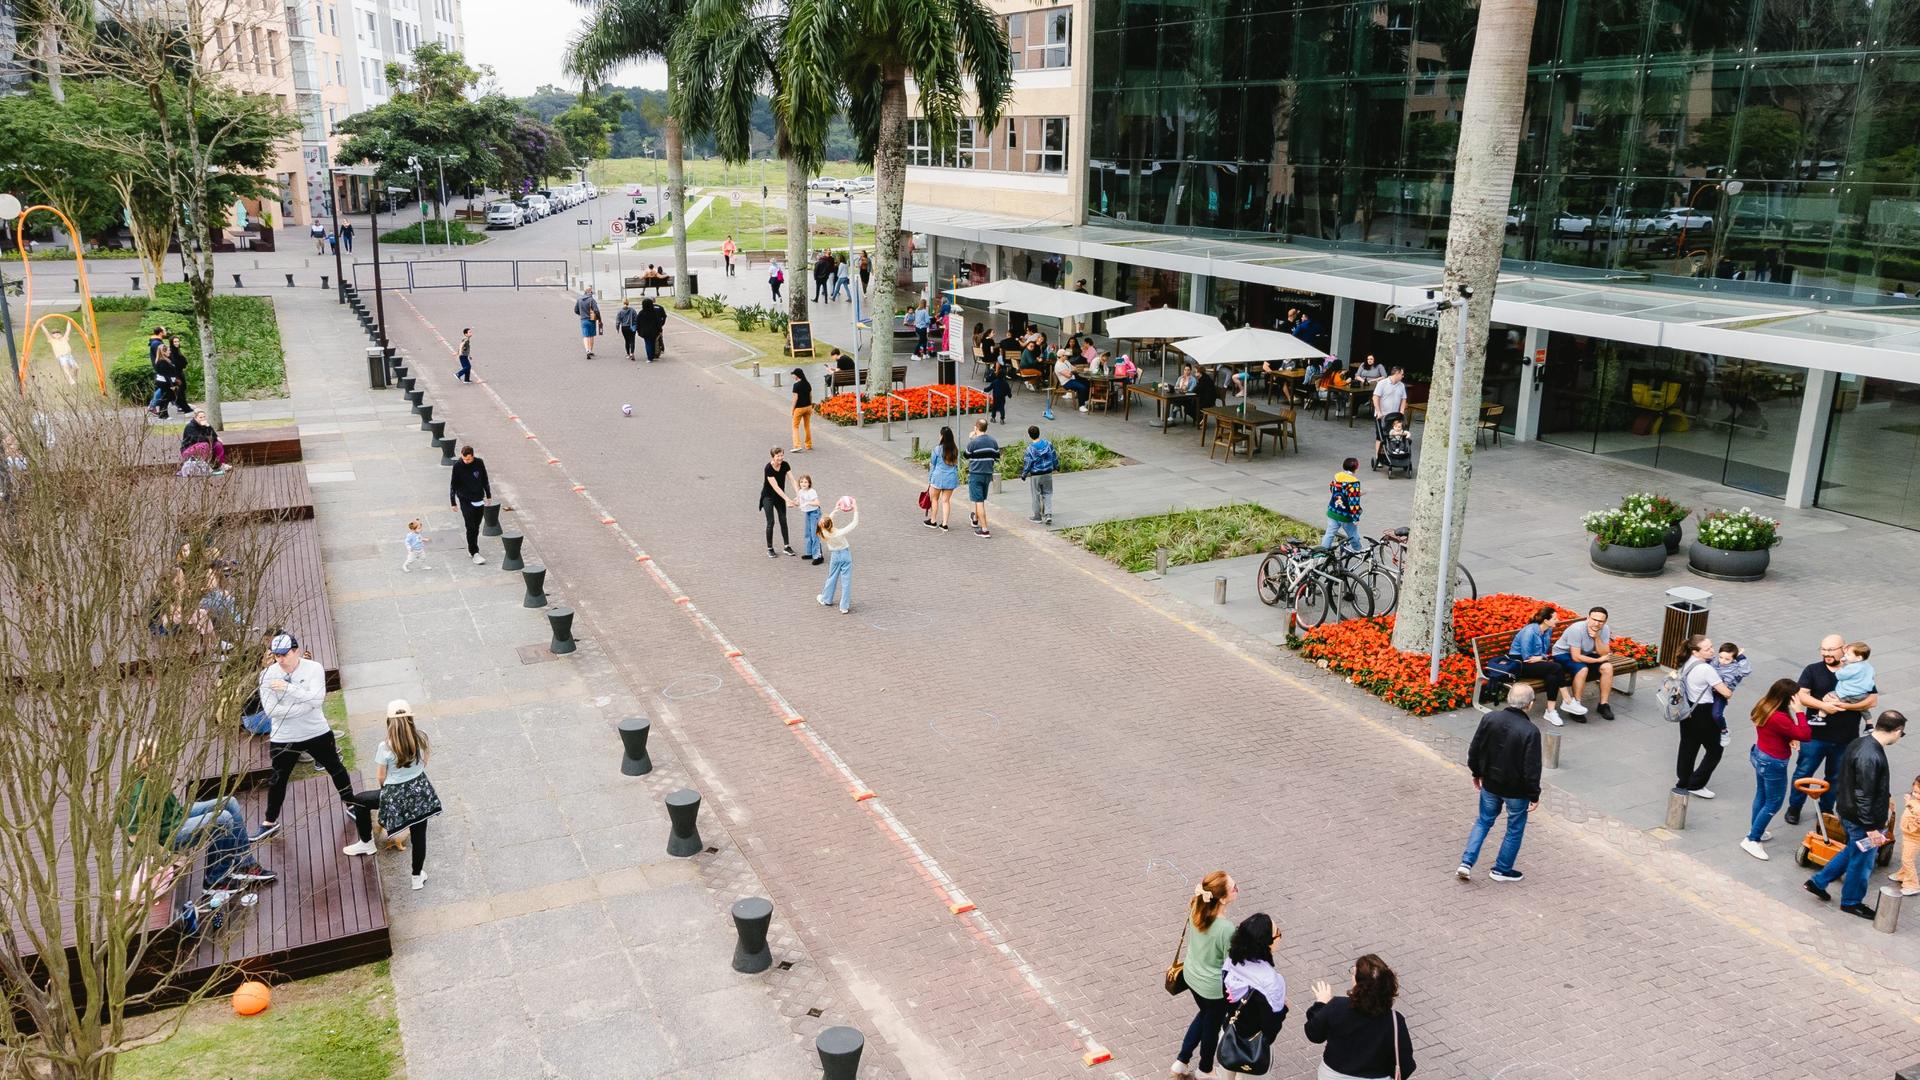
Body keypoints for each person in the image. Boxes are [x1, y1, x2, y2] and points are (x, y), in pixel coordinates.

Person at [250, 633, 358, 844]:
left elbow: (318, 699)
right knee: (278, 780)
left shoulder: (314, 668)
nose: (280, 659)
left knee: (336, 768)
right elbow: (271, 710)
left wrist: (289, 689)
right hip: (284, 736)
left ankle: (353, 805)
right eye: (276, 655)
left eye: (284, 654)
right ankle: (269, 822)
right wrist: (304, 702)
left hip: (316, 731)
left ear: (296, 651)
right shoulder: (266, 676)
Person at [1806, 711, 1906, 919]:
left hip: (1848, 810)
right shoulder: (1872, 755)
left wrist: (1885, 795)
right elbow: (1864, 794)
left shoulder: (1859, 743)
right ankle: (1851, 902)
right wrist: (1871, 829)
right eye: (1901, 734)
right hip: (1862, 819)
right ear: (1897, 731)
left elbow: (1857, 783)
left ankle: (1818, 882)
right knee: (1862, 862)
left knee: (1853, 849)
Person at [122, 764, 275, 890]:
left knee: (230, 802)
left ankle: (245, 864)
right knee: (222, 819)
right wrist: (168, 856)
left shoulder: (152, 774)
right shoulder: (136, 793)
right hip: (168, 835)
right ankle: (216, 880)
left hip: (176, 816)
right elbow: (134, 837)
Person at [341, 701, 437, 891]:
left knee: (360, 800)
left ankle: (367, 843)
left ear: (389, 722)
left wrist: (387, 792)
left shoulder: (385, 746)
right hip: (421, 795)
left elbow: (381, 776)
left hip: (395, 794)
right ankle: (417, 877)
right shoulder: (421, 737)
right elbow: (425, 761)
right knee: (419, 836)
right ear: (411, 719)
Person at [1787, 635, 1878, 825]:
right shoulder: (1813, 670)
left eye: (1831, 650)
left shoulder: (1858, 669)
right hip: (1815, 736)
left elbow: (1872, 700)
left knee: (1836, 777)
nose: (1826, 654)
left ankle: (1826, 810)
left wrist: (1847, 707)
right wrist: (1824, 706)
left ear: (1843, 649)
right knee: (1803, 772)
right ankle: (1794, 807)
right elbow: (1802, 697)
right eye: (1823, 649)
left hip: (1846, 737)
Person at [1457, 683, 1541, 883]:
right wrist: (1534, 794)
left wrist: (1476, 772)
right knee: (1514, 828)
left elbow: (1475, 749)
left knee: (1483, 821)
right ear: (1529, 704)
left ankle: (1466, 862)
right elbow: (1532, 768)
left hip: (1490, 784)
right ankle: (1502, 870)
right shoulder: (1530, 731)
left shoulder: (1489, 718)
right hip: (1516, 791)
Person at [1306, 955, 1417, 1079]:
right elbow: (1406, 1064)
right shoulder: (1395, 1021)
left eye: (1353, 972)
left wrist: (1321, 1004)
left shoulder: (1337, 1006)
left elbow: (1314, 1034)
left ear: (1359, 983)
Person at [1171, 871, 1235, 1080]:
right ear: (1223, 898)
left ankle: (1181, 1061)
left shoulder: (1196, 909)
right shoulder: (1226, 929)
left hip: (1191, 977)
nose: (1237, 889)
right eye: (1234, 887)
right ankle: (1205, 1069)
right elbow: (1231, 962)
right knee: (1211, 1025)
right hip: (1212, 988)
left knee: (1205, 1015)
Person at [1743, 677, 1813, 860]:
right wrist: (1799, 713)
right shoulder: (1780, 717)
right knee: (1774, 801)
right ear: (1788, 698)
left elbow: (1775, 730)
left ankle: (1756, 828)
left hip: (1760, 754)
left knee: (1762, 794)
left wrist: (1789, 737)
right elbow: (1805, 734)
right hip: (1773, 762)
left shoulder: (1765, 705)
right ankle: (1752, 839)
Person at [1222, 913, 1289, 1063]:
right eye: (1278, 933)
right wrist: (1284, 1008)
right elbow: (1271, 1027)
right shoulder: (1271, 982)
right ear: (1267, 943)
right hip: (1253, 1050)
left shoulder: (1231, 962)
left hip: (1228, 1036)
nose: (1280, 936)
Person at [1674, 633, 1733, 799]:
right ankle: (1697, 784)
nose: (1712, 651)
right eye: (1707, 649)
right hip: (1703, 712)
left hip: (1687, 709)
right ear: (1695, 651)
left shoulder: (1687, 663)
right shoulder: (1706, 669)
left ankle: (1683, 780)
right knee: (1715, 749)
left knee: (1688, 745)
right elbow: (1726, 693)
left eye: (1711, 647)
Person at [1504, 605, 1582, 726]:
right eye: (1555, 618)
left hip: (1536, 661)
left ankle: (1550, 711)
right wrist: (1541, 658)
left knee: (1552, 676)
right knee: (1556, 667)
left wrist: (1541, 657)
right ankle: (1567, 700)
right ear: (1546, 620)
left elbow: (1544, 653)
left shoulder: (1547, 630)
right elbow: (1527, 657)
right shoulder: (1530, 631)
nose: (1558, 620)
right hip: (1520, 664)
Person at [1550, 606, 1616, 720]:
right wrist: (1597, 660)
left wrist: (1597, 639)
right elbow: (1576, 657)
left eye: (1600, 621)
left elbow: (1604, 653)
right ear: (1588, 618)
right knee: (1582, 669)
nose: (1596, 623)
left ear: (1605, 621)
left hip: (1584, 653)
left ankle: (1603, 704)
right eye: (1594, 619)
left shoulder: (1605, 629)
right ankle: (1575, 705)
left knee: (1607, 667)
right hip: (1563, 654)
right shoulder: (1577, 629)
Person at [449, 445, 491, 565]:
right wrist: (453, 502)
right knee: (470, 526)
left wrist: (488, 495)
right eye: (464, 459)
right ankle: (474, 552)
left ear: (472, 456)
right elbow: (453, 484)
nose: (465, 461)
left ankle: (471, 546)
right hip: (465, 499)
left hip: (478, 498)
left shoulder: (479, 463)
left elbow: (484, 479)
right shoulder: (457, 466)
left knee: (476, 527)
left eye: (468, 459)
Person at [815, 497, 858, 613]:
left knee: (832, 577)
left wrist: (835, 510)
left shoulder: (823, 532)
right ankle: (844, 607)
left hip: (835, 556)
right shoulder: (839, 532)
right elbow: (854, 523)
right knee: (846, 581)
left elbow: (828, 520)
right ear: (831, 524)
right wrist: (856, 509)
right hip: (845, 554)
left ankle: (826, 599)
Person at [1709, 642, 1752, 744]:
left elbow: (1746, 671)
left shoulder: (1736, 668)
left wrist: (1741, 657)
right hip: (1709, 690)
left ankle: (1724, 731)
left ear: (1733, 658)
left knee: (1716, 714)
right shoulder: (1715, 662)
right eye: (1721, 657)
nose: (1723, 661)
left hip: (1722, 694)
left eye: (1727, 659)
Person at [1320, 458, 1364, 554]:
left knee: (1329, 534)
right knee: (1353, 535)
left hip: (1333, 511)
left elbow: (1332, 489)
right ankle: (1359, 552)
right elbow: (1353, 501)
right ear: (1356, 468)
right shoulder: (1353, 482)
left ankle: (1322, 553)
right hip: (1345, 515)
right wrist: (1356, 518)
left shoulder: (1337, 476)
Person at [760, 447, 797, 558]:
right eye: (778, 456)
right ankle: (770, 548)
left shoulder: (785, 465)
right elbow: (775, 487)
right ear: (773, 457)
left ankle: (787, 546)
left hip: (780, 497)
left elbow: (792, 480)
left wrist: (799, 495)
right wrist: (788, 500)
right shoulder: (768, 468)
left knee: (783, 520)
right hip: (768, 497)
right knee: (771, 522)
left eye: (782, 455)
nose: (780, 458)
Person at [964, 418, 998, 538]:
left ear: (976, 428)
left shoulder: (974, 442)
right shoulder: (993, 441)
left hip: (975, 474)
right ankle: (975, 519)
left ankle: (984, 530)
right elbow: (996, 456)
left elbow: (966, 455)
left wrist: (972, 438)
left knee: (979, 502)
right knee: (980, 498)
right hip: (987, 474)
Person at [1888, 775, 1920, 897]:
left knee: (1908, 859)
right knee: (1905, 856)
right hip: (1908, 834)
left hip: (1915, 838)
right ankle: (1903, 874)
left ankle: (1913, 884)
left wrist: (1908, 804)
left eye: (1919, 793)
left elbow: (1916, 816)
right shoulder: (1915, 800)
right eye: (1915, 791)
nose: (1916, 795)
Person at [925, 426, 961, 530]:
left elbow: (933, 464)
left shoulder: (937, 449)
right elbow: (956, 465)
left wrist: (930, 479)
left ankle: (933, 521)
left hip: (938, 477)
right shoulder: (955, 450)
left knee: (934, 499)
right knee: (946, 501)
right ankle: (944, 524)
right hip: (951, 478)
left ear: (942, 437)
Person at [1020, 425, 1057, 526]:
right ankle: (1048, 514)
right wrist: (1056, 466)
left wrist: (1024, 474)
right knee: (1048, 493)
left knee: (1036, 495)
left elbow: (1028, 463)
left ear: (1030, 435)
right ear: (1039, 433)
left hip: (1036, 474)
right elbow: (1054, 456)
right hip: (1048, 472)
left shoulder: (1030, 449)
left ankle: (1037, 516)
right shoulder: (1048, 444)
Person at [1371, 368, 1408, 459]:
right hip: (1382, 415)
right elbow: (1375, 398)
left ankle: (1391, 453)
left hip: (1394, 416)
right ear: (1397, 373)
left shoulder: (1401, 385)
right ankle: (1378, 457)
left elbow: (1403, 399)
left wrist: (1402, 411)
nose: (1403, 376)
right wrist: (1379, 412)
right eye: (1402, 374)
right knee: (1381, 437)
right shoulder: (1382, 383)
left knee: (1394, 435)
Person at [1830, 642, 1877, 706]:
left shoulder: (1852, 668)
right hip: (1863, 694)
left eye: (1848, 654)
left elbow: (1839, 676)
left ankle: (1821, 715)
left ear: (1858, 658)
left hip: (1848, 693)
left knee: (1828, 698)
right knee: (1863, 708)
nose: (1845, 655)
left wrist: (1841, 666)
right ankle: (1867, 715)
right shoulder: (1868, 666)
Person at [797, 475, 823, 565]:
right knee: (807, 533)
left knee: (814, 534)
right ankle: (810, 553)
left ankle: (818, 556)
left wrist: (808, 502)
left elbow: (817, 503)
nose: (803, 484)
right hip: (807, 513)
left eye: (805, 482)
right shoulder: (800, 491)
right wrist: (793, 503)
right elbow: (799, 502)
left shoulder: (812, 491)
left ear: (809, 483)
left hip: (814, 513)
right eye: (801, 482)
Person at [574, 287, 602, 359]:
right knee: (591, 335)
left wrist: (582, 314)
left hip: (583, 320)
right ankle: (591, 350)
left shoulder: (579, 299)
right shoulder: (591, 300)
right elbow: (596, 311)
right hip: (592, 320)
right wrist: (599, 319)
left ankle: (587, 350)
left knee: (585, 336)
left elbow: (575, 310)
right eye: (592, 291)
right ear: (590, 292)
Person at [790, 368, 814, 452]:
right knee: (807, 426)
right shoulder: (807, 384)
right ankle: (808, 444)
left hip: (799, 408)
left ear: (797, 375)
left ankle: (797, 445)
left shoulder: (796, 385)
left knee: (795, 427)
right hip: (808, 407)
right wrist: (810, 405)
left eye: (794, 374)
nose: (793, 376)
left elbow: (795, 398)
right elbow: (810, 396)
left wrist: (792, 410)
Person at [637, 297, 667, 361]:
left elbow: (638, 322)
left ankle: (649, 357)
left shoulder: (641, 313)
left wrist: (638, 330)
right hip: (654, 331)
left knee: (647, 343)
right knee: (653, 342)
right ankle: (653, 355)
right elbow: (658, 322)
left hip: (644, 331)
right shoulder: (654, 313)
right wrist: (660, 329)